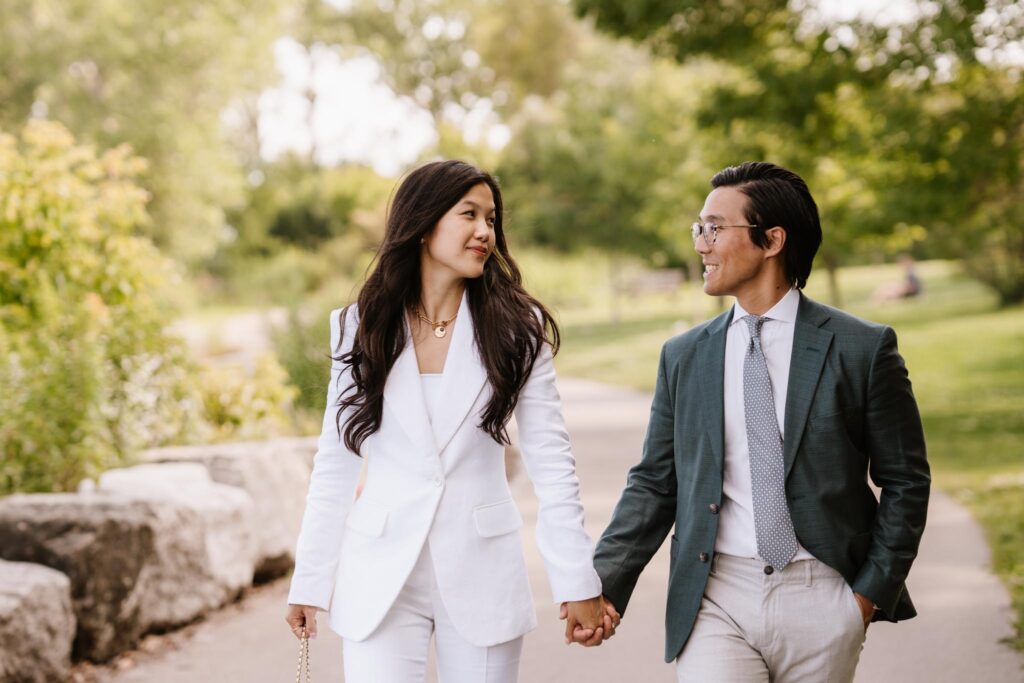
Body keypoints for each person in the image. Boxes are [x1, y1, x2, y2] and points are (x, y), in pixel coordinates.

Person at [585, 162, 930, 682]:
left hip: (823, 596)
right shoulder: (683, 356)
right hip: (716, 593)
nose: (701, 244)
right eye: (699, 228)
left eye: (714, 228)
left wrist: (863, 599)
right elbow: (656, 481)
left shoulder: (862, 348)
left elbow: (906, 480)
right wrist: (603, 583)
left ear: (771, 240)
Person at [284, 160, 616, 682]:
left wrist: (577, 580)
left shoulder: (517, 327)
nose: (485, 231)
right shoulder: (358, 325)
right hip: (380, 573)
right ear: (423, 223)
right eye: (469, 214)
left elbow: (552, 461)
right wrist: (310, 580)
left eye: (491, 218)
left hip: (482, 570)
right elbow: (337, 458)